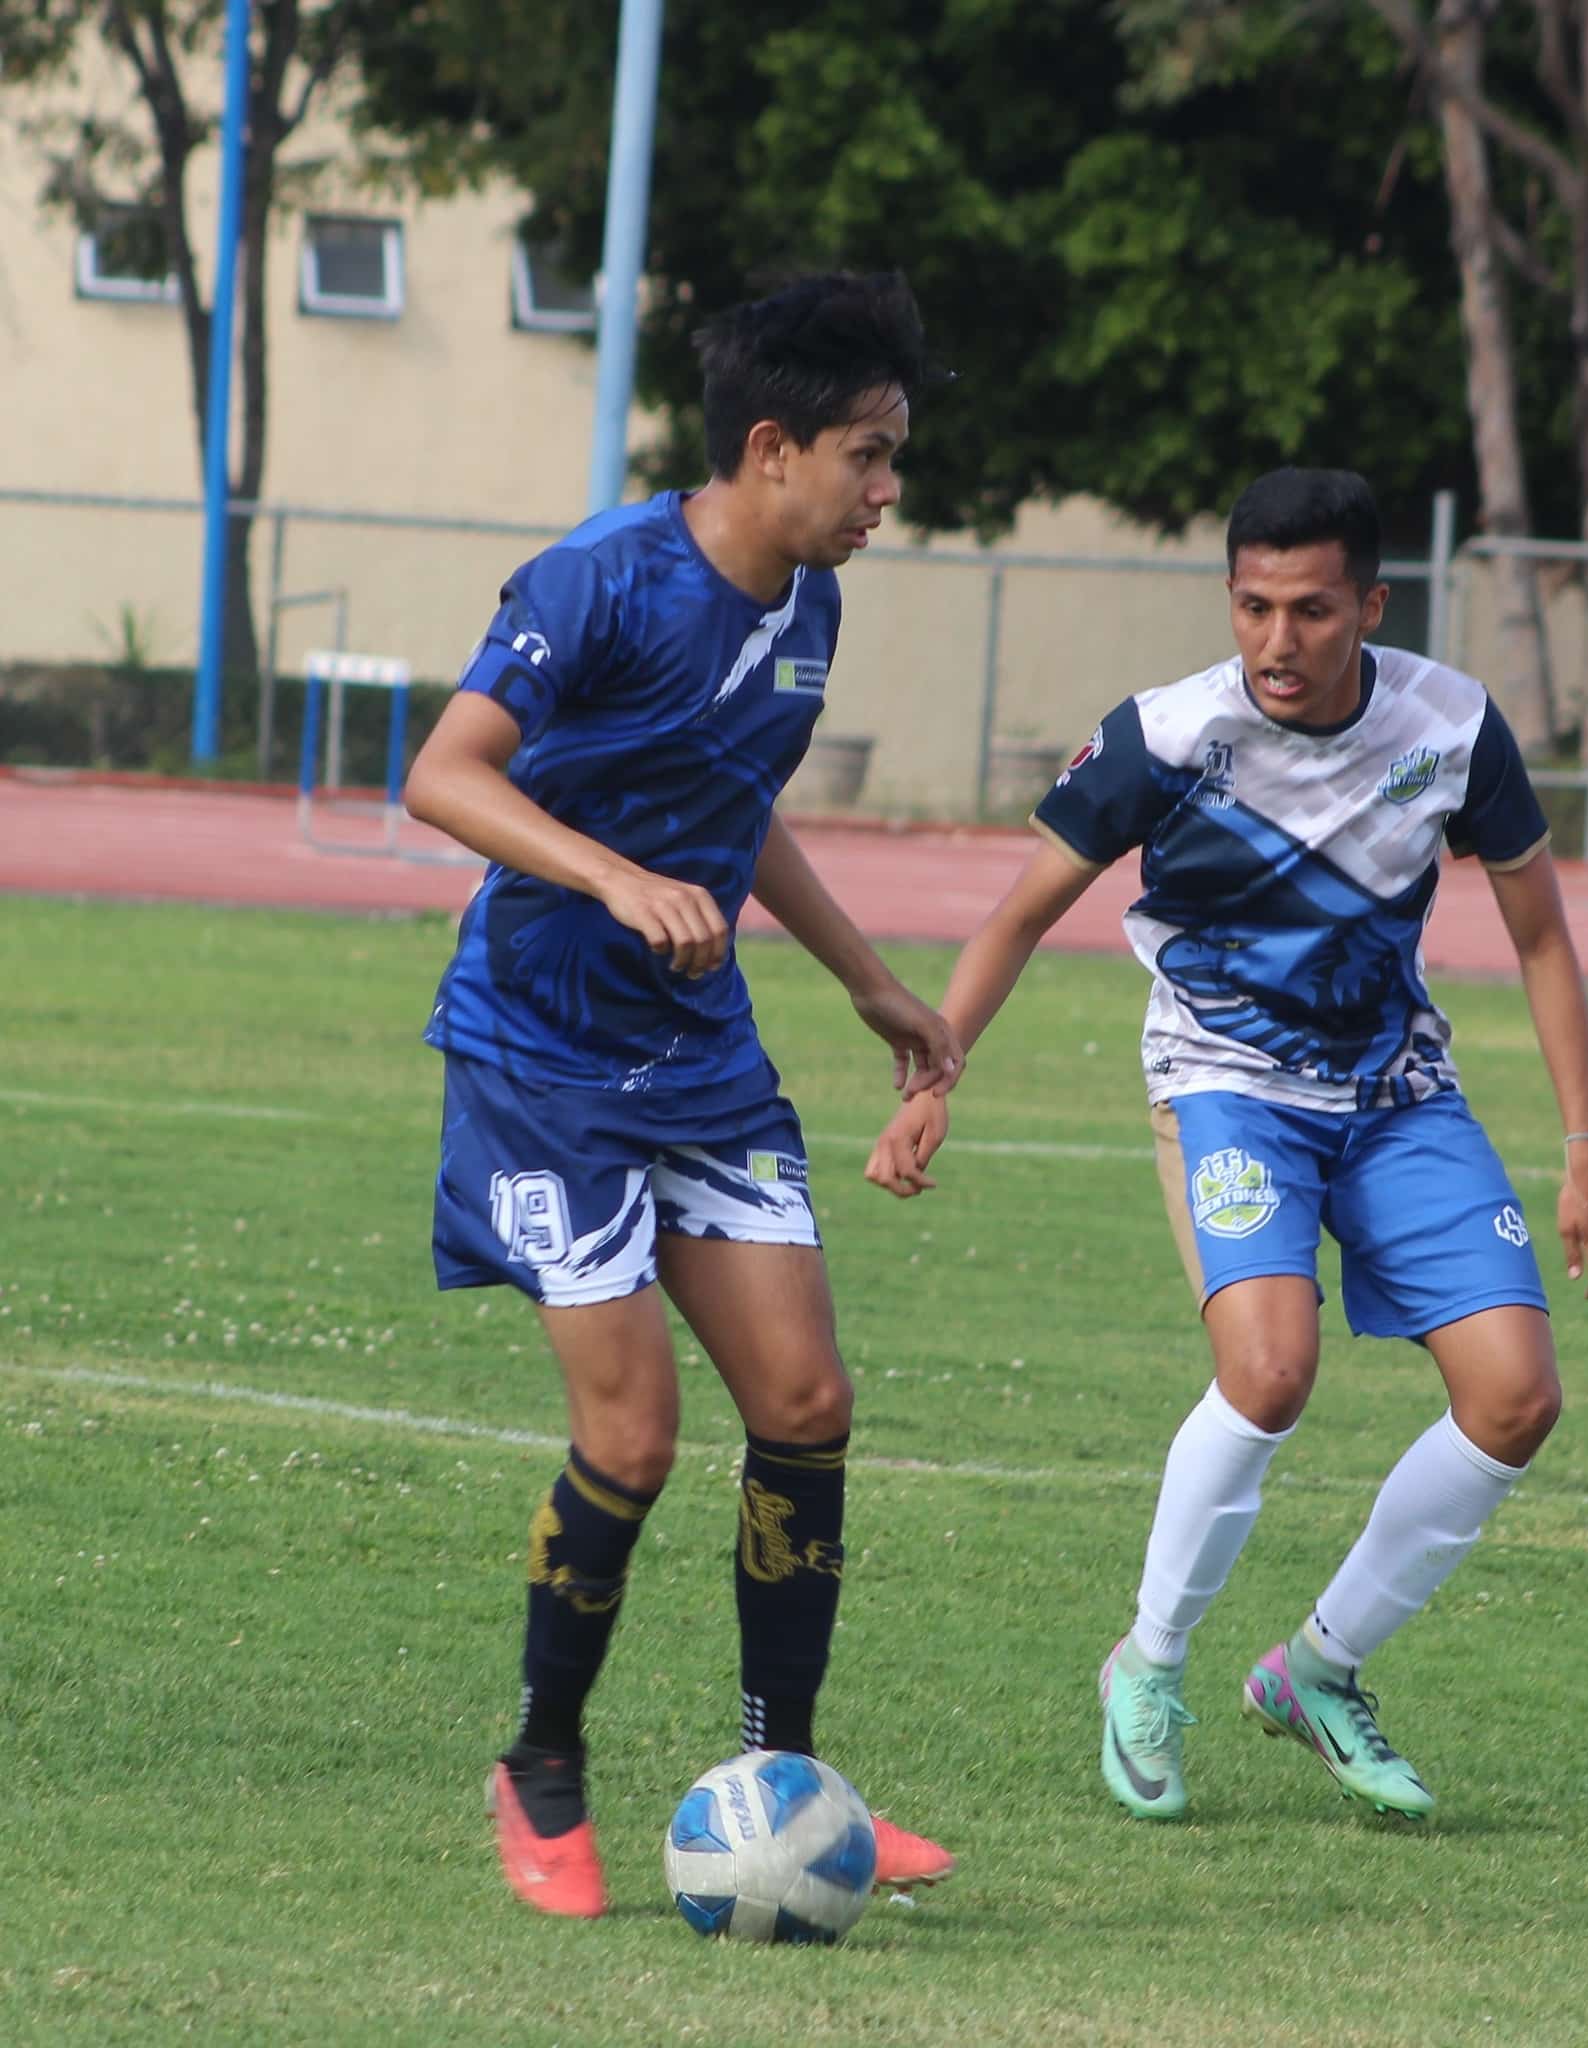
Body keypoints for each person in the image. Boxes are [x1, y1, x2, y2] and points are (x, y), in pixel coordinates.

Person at [866, 466, 1588, 1823]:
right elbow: (1020, 912)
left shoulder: (1451, 726)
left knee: (1516, 1397)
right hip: (1224, 1085)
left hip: (1396, 1094)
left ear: (1371, 608)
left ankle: (1317, 1670)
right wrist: (938, 1074)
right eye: (1253, 607)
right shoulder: (1165, 738)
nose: (1278, 640)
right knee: (1269, 1371)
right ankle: (1148, 1664)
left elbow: (1540, 939)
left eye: (1311, 610)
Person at [404, 271, 962, 1916]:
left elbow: (738, 802)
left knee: (804, 1402)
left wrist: (863, 975)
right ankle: (540, 1766)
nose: (886, 491)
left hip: (701, 1061)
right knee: (633, 1435)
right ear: (771, 447)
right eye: (867, 455)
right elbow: (443, 773)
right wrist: (610, 875)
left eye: (894, 456)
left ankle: (785, 1783)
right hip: (541, 1063)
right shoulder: (600, 579)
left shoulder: (810, 604)